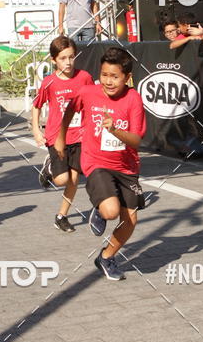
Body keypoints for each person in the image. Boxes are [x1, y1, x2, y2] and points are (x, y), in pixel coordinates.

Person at [55, 46, 146, 281]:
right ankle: (100, 207)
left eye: (114, 76)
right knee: (111, 210)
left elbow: (136, 140)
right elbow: (69, 110)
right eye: (104, 74)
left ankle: (105, 257)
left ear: (127, 78)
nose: (108, 81)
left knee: (130, 220)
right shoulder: (88, 93)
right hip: (96, 161)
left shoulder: (133, 98)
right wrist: (60, 137)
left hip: (126, 166)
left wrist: (114, 129)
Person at [31, 36, 93, 232]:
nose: (68, 62)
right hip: (56, 137)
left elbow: (93, 103)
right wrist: (36, 130)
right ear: (53, 60)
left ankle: (61, 216)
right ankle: (49, 168)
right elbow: (36, 106)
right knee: (61, 180)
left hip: (80, 136)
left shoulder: (85, 78)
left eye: (71, 57)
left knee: (74, 180)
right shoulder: (49, 82)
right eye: (63, 58)